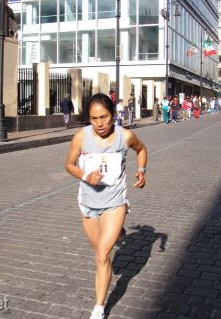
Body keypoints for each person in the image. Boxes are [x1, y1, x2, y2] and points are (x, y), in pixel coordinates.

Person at [64, 93, 147, 319]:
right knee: (101, 252)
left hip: (114, 202)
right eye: (94, 118)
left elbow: (141, 149)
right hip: (88, 204)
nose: (99, 124)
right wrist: (85, 175)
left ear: (113, 115)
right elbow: (69, 165)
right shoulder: (81, 137)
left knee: (102, 255)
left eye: (104, 117)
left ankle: (99, 308)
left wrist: (141, 171)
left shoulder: (125, 136)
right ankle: (119, 231)